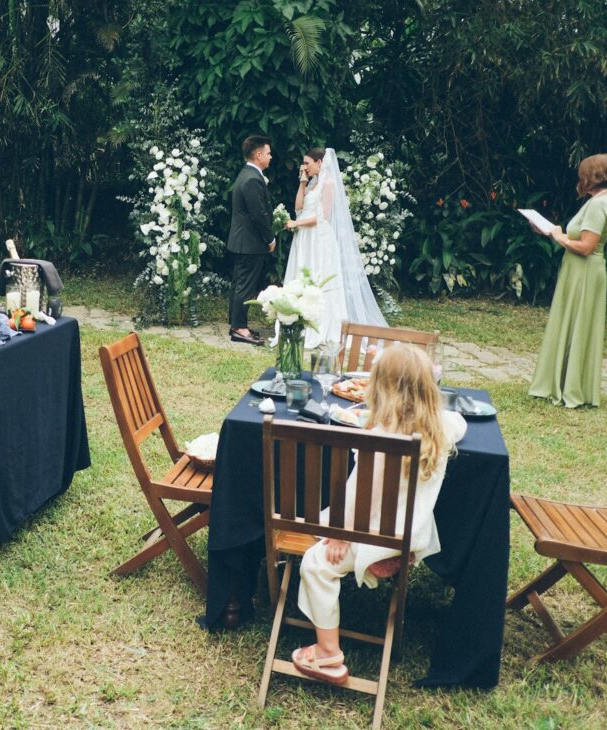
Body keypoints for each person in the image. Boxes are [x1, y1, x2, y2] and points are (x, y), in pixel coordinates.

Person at [291, 344, 467, 683]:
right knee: (327, 531)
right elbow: (460, 422)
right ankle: (384, 562)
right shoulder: (443, 429)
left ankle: (328, 654)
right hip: (410, 536)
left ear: (381, 388)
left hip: (374, 534)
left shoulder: (378, 438)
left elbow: (359, 495)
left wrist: (342, 533)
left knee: (314, 563)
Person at [529, 154, 607, 408]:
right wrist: (551, 231)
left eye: (583, 175)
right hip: (583, 271)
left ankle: (568, 385)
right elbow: (581, 237)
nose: (580, 179)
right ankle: (566, 378)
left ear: (592, 177)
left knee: (577, 322)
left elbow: (586, 246)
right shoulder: (603, 201)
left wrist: (559, 237)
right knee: (574, 322)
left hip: (585, 272)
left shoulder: (599, 205)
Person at [284, 148, 387, 349]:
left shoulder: (328, 183)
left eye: (307, 163)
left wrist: (297, 224)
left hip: (319, 239)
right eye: (303, 163)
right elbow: (298, 208)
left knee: (320, 278)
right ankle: (300, 320)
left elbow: (323, 218)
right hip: (306, 238)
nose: (304, 167)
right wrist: (302, 182)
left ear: (320, 162)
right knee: (303, 277)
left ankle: (322, 325)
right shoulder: (312, 182)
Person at [227, 135, 276, 346]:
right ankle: (239, 329)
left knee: (240, 284)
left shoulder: (247, 174)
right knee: (245, 286)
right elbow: (258, 214)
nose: (270, 157)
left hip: (242, 241)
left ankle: (237, 325)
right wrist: (270, 237)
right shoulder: (253, 179)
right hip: (249, 242)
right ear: (258, 155)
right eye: (268, 153)